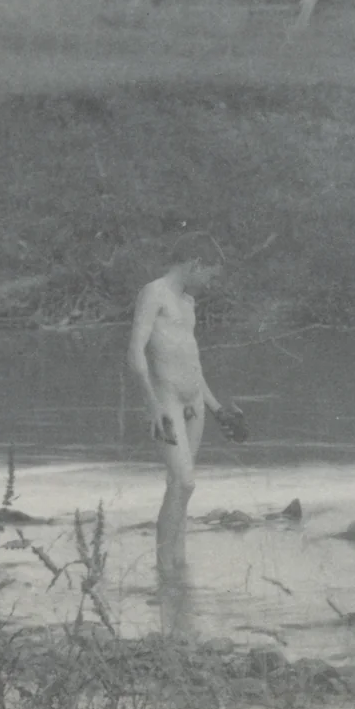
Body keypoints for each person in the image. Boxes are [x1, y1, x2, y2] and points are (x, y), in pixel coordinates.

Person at [127, 233, 245, 574]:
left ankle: (178, 564)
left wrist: (217, 407)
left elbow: (193, 363)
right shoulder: (154, 292)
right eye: (209, 274)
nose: (209, 283)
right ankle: (164, 568)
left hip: (194, 401)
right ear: (196, 263)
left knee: (180, 485)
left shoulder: (189, 303)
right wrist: (151, 404)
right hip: (166, 400)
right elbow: (135, 353)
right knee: (184, 481)